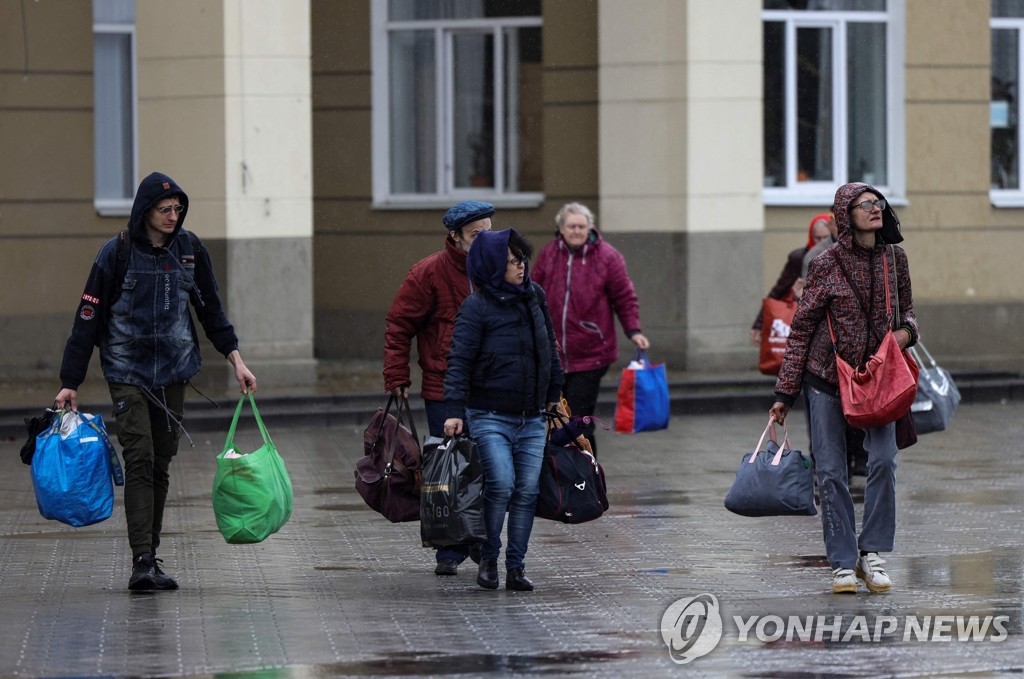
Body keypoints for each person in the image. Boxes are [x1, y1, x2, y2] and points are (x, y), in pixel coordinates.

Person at [54, 171, 257, 592]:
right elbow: (87, 319)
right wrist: (69, 381)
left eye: (177, 209)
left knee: (161, 463)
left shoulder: (189, 250)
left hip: (174, 372)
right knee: (140, 457)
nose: (173, 215)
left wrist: (237, 361)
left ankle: (152, 554)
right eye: (165, 209)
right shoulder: (116, 253)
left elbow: (211, 311)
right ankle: (141, 560)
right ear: (145, 212)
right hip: (127, 372)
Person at [769, 182, 918, 595]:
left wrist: (902, 338)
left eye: (878, 203)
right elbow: (800, 330)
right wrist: (784, 394)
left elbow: (909, 317)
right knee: (831, 471)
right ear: (844, 215)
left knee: (884, 461)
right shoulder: (825, 263)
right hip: (827, 379)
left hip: (880, 381)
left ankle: (871, 552)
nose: (875, 209)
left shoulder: (895, 259)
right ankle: (841, 562)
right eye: (864, 204)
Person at [443, 229, 565, 592]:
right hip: (489, 413)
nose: (521, 266)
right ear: (493, 266)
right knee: (501, 484)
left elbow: (549, 347)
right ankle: (489, 559)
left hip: (531, 415)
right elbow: (459, 360)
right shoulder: (477, 307)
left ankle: (515, 567)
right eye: (512, 261)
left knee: (526, 491)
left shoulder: (534, 296)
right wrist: (453, 410)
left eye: (521, 259)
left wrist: (554, 390)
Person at [383, 199, 493, 576]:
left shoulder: (501, 268)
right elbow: (399, 326)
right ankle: (448, 550)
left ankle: (482, 545)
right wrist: (396, 376)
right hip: (443, 387)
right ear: (456, 236)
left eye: (489, 230)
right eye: (477, 233)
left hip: (492, 388)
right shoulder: (428, 273)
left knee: (487, 470)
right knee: (447, 471)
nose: (485, 239)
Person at [531, 203, 649, 454]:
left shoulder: (608, 256)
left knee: (578, 419)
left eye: (581, 226)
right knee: (556, 418)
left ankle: (587, 471)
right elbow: (532, 295)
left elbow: (624, 297)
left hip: (591, 352)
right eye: (571, 226)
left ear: (590, 228)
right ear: (561, 229)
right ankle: (561, 473)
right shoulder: (549, 254)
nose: (576, 230)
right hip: (554, 353)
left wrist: (634, 330)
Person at [749, 213, 834, 344]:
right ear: (811, 237)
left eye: (825, 237)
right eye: (818, 238)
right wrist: (759, 323)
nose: (822, 242)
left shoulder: (838, 257)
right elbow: (778, 290)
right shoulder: (799, 258)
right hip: (805, 319)